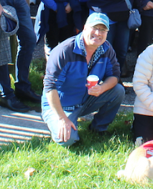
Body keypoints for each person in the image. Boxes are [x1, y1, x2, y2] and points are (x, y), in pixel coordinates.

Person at [41, 12, 125, 148]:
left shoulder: (107, 49)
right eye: (95, 28)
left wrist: (102, 88)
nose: (98, 33)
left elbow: (115, 76)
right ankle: (59, 120)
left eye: (103, 30)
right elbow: (50, 87)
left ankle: (98, 129)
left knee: (118, 90)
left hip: (86, 101)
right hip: (61, 106)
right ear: (85, 28)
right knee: (67, 140)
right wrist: (62, 118)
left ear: (107, 33)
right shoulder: (64, 51)